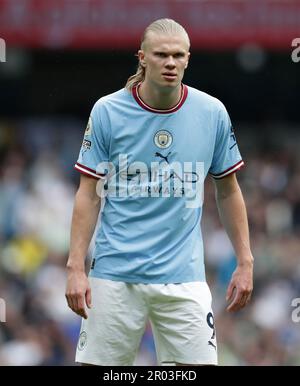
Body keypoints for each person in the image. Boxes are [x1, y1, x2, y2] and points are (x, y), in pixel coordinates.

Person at [65, 18, 253, 366]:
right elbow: (88, 194)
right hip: (115, 274)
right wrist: (76, 267)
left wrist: (245, 260)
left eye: (178, 55)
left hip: (184, 277)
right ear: (142, 58)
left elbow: (228, 190)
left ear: (188, 59)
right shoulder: (108, 111)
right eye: (162, 54)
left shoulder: (212, 113)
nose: (170, 62)